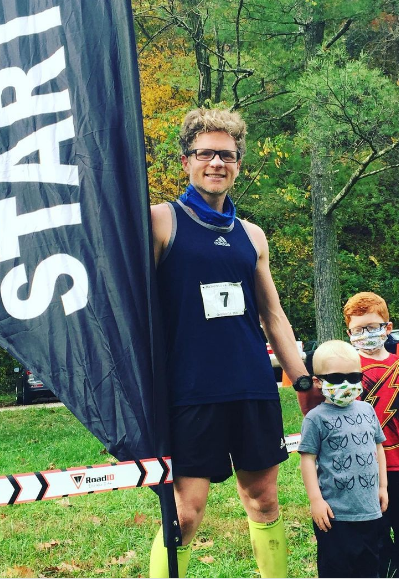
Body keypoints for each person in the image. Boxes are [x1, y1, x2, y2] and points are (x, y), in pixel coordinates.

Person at [149, 107, 311, 578]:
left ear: (239, 164)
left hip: (252, 386)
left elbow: (273, 316)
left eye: (227, 155)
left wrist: (301, 379)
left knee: (263, 500)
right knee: (185, 513)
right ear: (186, 161)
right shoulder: (160, 222)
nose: (216, 162)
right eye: (205, 153)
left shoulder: (252, 235)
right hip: (191, 391)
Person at [343, 291, 399, 578]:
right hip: (364, 470)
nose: (365, 334)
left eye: (372, 327)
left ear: (387, 328)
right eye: (358, 330)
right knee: (375, 532)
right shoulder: (347, 370)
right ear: (349, 333)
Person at [298, 340, 388, 578]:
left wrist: (383, 487)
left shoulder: (367, 410)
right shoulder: (315, 419)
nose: (347, 384)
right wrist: (316, 500)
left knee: (369, 568)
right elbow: (307, 460)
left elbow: (378, 448)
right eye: (337, 378)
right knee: (336, 570)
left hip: (369, 510)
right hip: (334, 516)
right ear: (317, 382)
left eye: (354, 377)